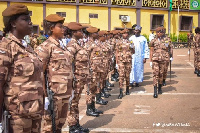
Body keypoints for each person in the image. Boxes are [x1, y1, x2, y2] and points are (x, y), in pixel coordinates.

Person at [0, 4, 44, 132]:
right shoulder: (5, 47)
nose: (30, 23)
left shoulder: (27, 47)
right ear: (13, 23)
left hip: (35, 110)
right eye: (25, 19)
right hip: (17, 115)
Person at [35, 14, 73, 133]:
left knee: (59, 125)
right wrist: (45, 96)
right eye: (60, 27)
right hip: (54, 95)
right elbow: (40, 72)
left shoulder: (61, 46)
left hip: (64, 93)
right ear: (51, 28)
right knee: (50, 127)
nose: (63, 29)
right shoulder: (45, 47)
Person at [66, 22, 90, 133]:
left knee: (75, 103)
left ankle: (76, 125)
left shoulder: (78, 44)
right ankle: (72, 127)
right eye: (80, 31)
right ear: (74, 33)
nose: (82, 33)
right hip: (75, 80)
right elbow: (68, 64)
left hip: (80, 80)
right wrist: (70, 81)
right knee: (72, 104)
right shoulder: (71, 46)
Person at [149, 26, 173, 98]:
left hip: (164, 59)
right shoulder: (153, 40)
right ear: (156, 33)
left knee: (161, 74)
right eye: (158, 32)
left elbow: (170, 48)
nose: (159, 33)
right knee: (155, 74)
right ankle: (155, 90)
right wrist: (150, 61)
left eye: (161, 32)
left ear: (163, 32)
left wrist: (171, 56)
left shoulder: (167, 40)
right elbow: (151, 51)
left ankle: (160, 87)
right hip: (155, 59)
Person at [116, 29, 134, 99]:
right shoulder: (119, 42)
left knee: (127, 75)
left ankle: (127, 89)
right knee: (121, 76)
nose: (126, 35)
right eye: (124, 33)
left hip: (128, 61)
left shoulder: (130, 42)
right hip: (121, 61)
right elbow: (117, 52)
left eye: (127, 33)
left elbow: (133, 51)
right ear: (122, 34)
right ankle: (120, 91)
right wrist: (116, 62)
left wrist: (132, 47)